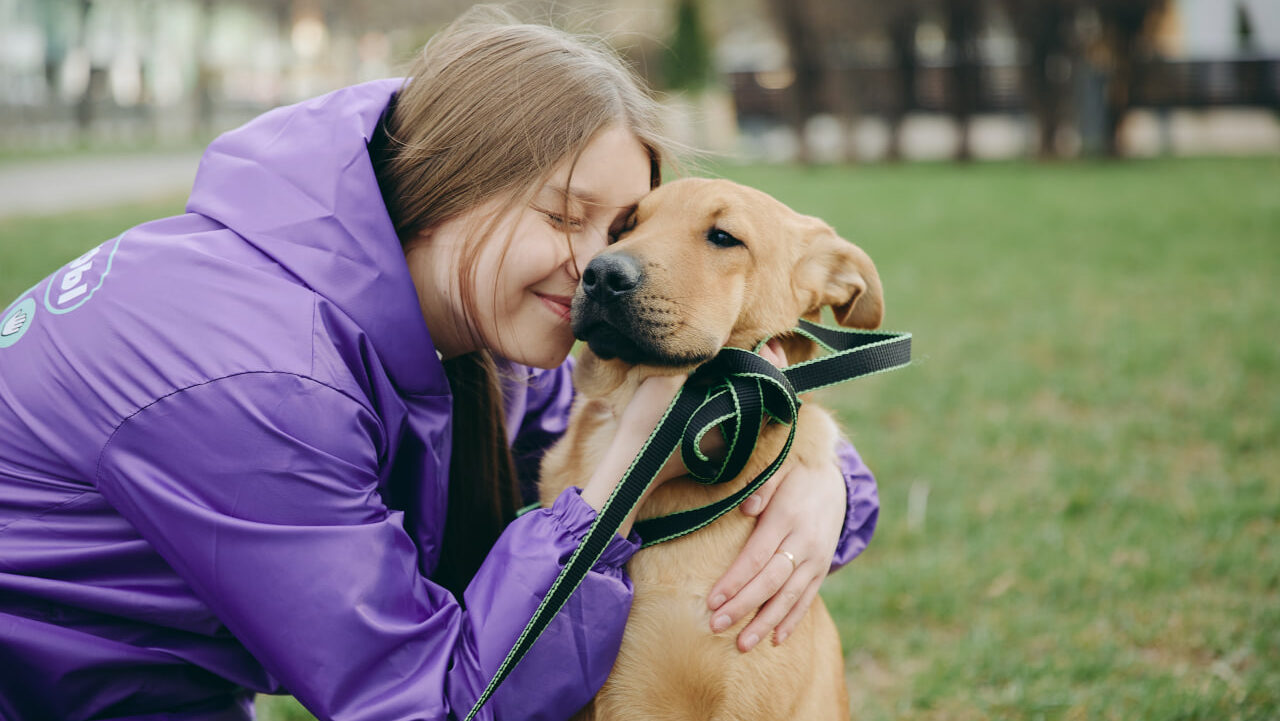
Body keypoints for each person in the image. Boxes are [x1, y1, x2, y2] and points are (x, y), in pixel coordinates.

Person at [0, 9, 879, 721]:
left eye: (614, 232)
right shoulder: (263, 378)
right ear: (451, 180)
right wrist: (618, 480)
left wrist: (821, 476)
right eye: (565, 216)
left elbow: (569, 426)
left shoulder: (456, 319)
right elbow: (427, 704)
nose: (599, 268)